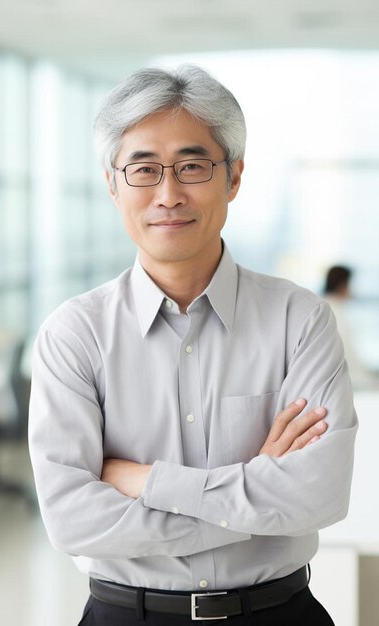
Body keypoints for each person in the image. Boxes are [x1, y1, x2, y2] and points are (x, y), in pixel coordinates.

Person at [29, 66, 358, 625]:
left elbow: (318, 497)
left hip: (280, 612)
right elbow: (71, 519)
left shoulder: (299, 320)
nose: (168, 194)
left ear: (233, 178)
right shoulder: (74, 334)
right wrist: (255, 496)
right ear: (112, 184)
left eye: (192, 165)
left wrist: (144, 480)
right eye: (144, 169)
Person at [323, 265, 379, 390]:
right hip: (346, 382)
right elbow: (347, 356)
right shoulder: (334, 311)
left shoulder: (326, 307)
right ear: (343, 285)